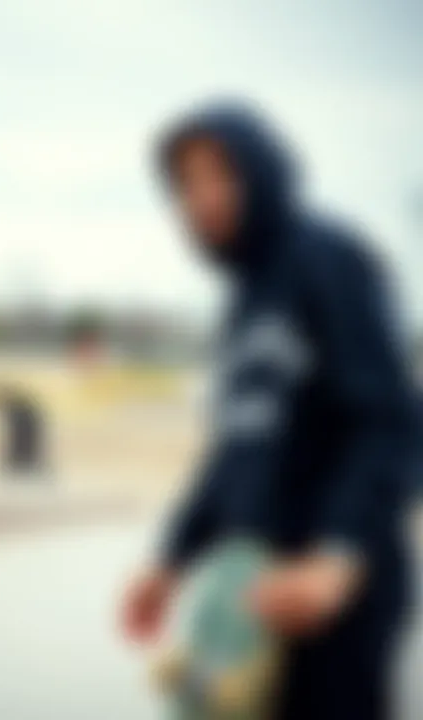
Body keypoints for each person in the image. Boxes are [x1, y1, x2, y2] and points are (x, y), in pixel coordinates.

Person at [120, 102, 418, 720]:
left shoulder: (329, 256)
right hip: (253, 600)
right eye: (185, 183)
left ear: (262, 170)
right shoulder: (243, 304)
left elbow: (388, 418)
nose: (200, 196)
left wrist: (339, 551)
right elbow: (234, 451)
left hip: (336, 595)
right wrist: (170, 558)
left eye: (218, 173)